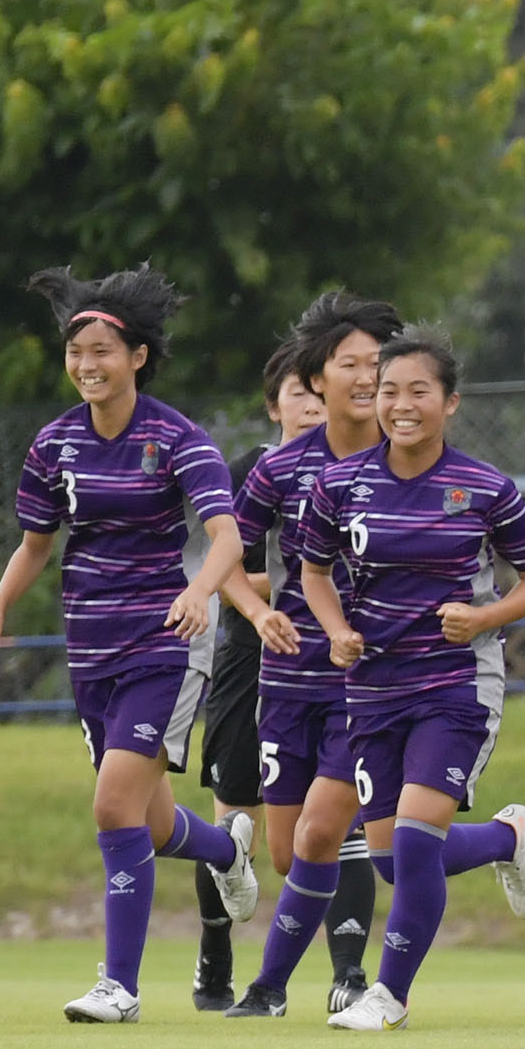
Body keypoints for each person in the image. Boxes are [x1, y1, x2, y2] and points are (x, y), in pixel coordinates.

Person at [0, 266, 261, 1022]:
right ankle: (228, 850)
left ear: (137, 356)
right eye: (76, 352)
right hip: (89, 653)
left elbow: (226, 536)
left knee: (110, 808)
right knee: (151, 821)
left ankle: (119, 987)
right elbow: (36, 544)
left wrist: (198, 591)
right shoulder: (56, 442)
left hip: (161, 647)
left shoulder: (175, 437)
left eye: (102, 350)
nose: (87, 364)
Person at [296, 327, 525, 1031]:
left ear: (451, 403)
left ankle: (388, 997)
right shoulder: (339, 484)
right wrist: (336, 632)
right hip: (373, 690)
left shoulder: (484, 489)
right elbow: (313, 574)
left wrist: (484, 618)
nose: (401, 405)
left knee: (413, 843)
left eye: (419, 392)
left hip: (456, 684)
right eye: (389, 391)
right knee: (389, 860)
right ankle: (507, 839)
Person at [224, 293, 406, 1019]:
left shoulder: (411, 464)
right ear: (316, 375)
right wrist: (259, 610)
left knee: (324, 830)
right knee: (287, 851)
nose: (367, 377)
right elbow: (227, 557)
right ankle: (504, 838)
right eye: (351, 363)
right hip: (287, 679)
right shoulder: (280, 469)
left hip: (366, 683)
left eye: (378, 364)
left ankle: (282, 987)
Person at [189, 346, 328, 1010]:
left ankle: (341, 972)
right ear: (274, 405)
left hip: (325, 666)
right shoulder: (252, 472)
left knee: (317, 830)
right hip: (250, 653)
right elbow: (231, 565)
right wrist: (281, 599)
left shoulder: (360, 468)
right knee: (230, 817)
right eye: (300, 392)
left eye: (321, 393)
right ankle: (214, 957)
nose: (313, 405)